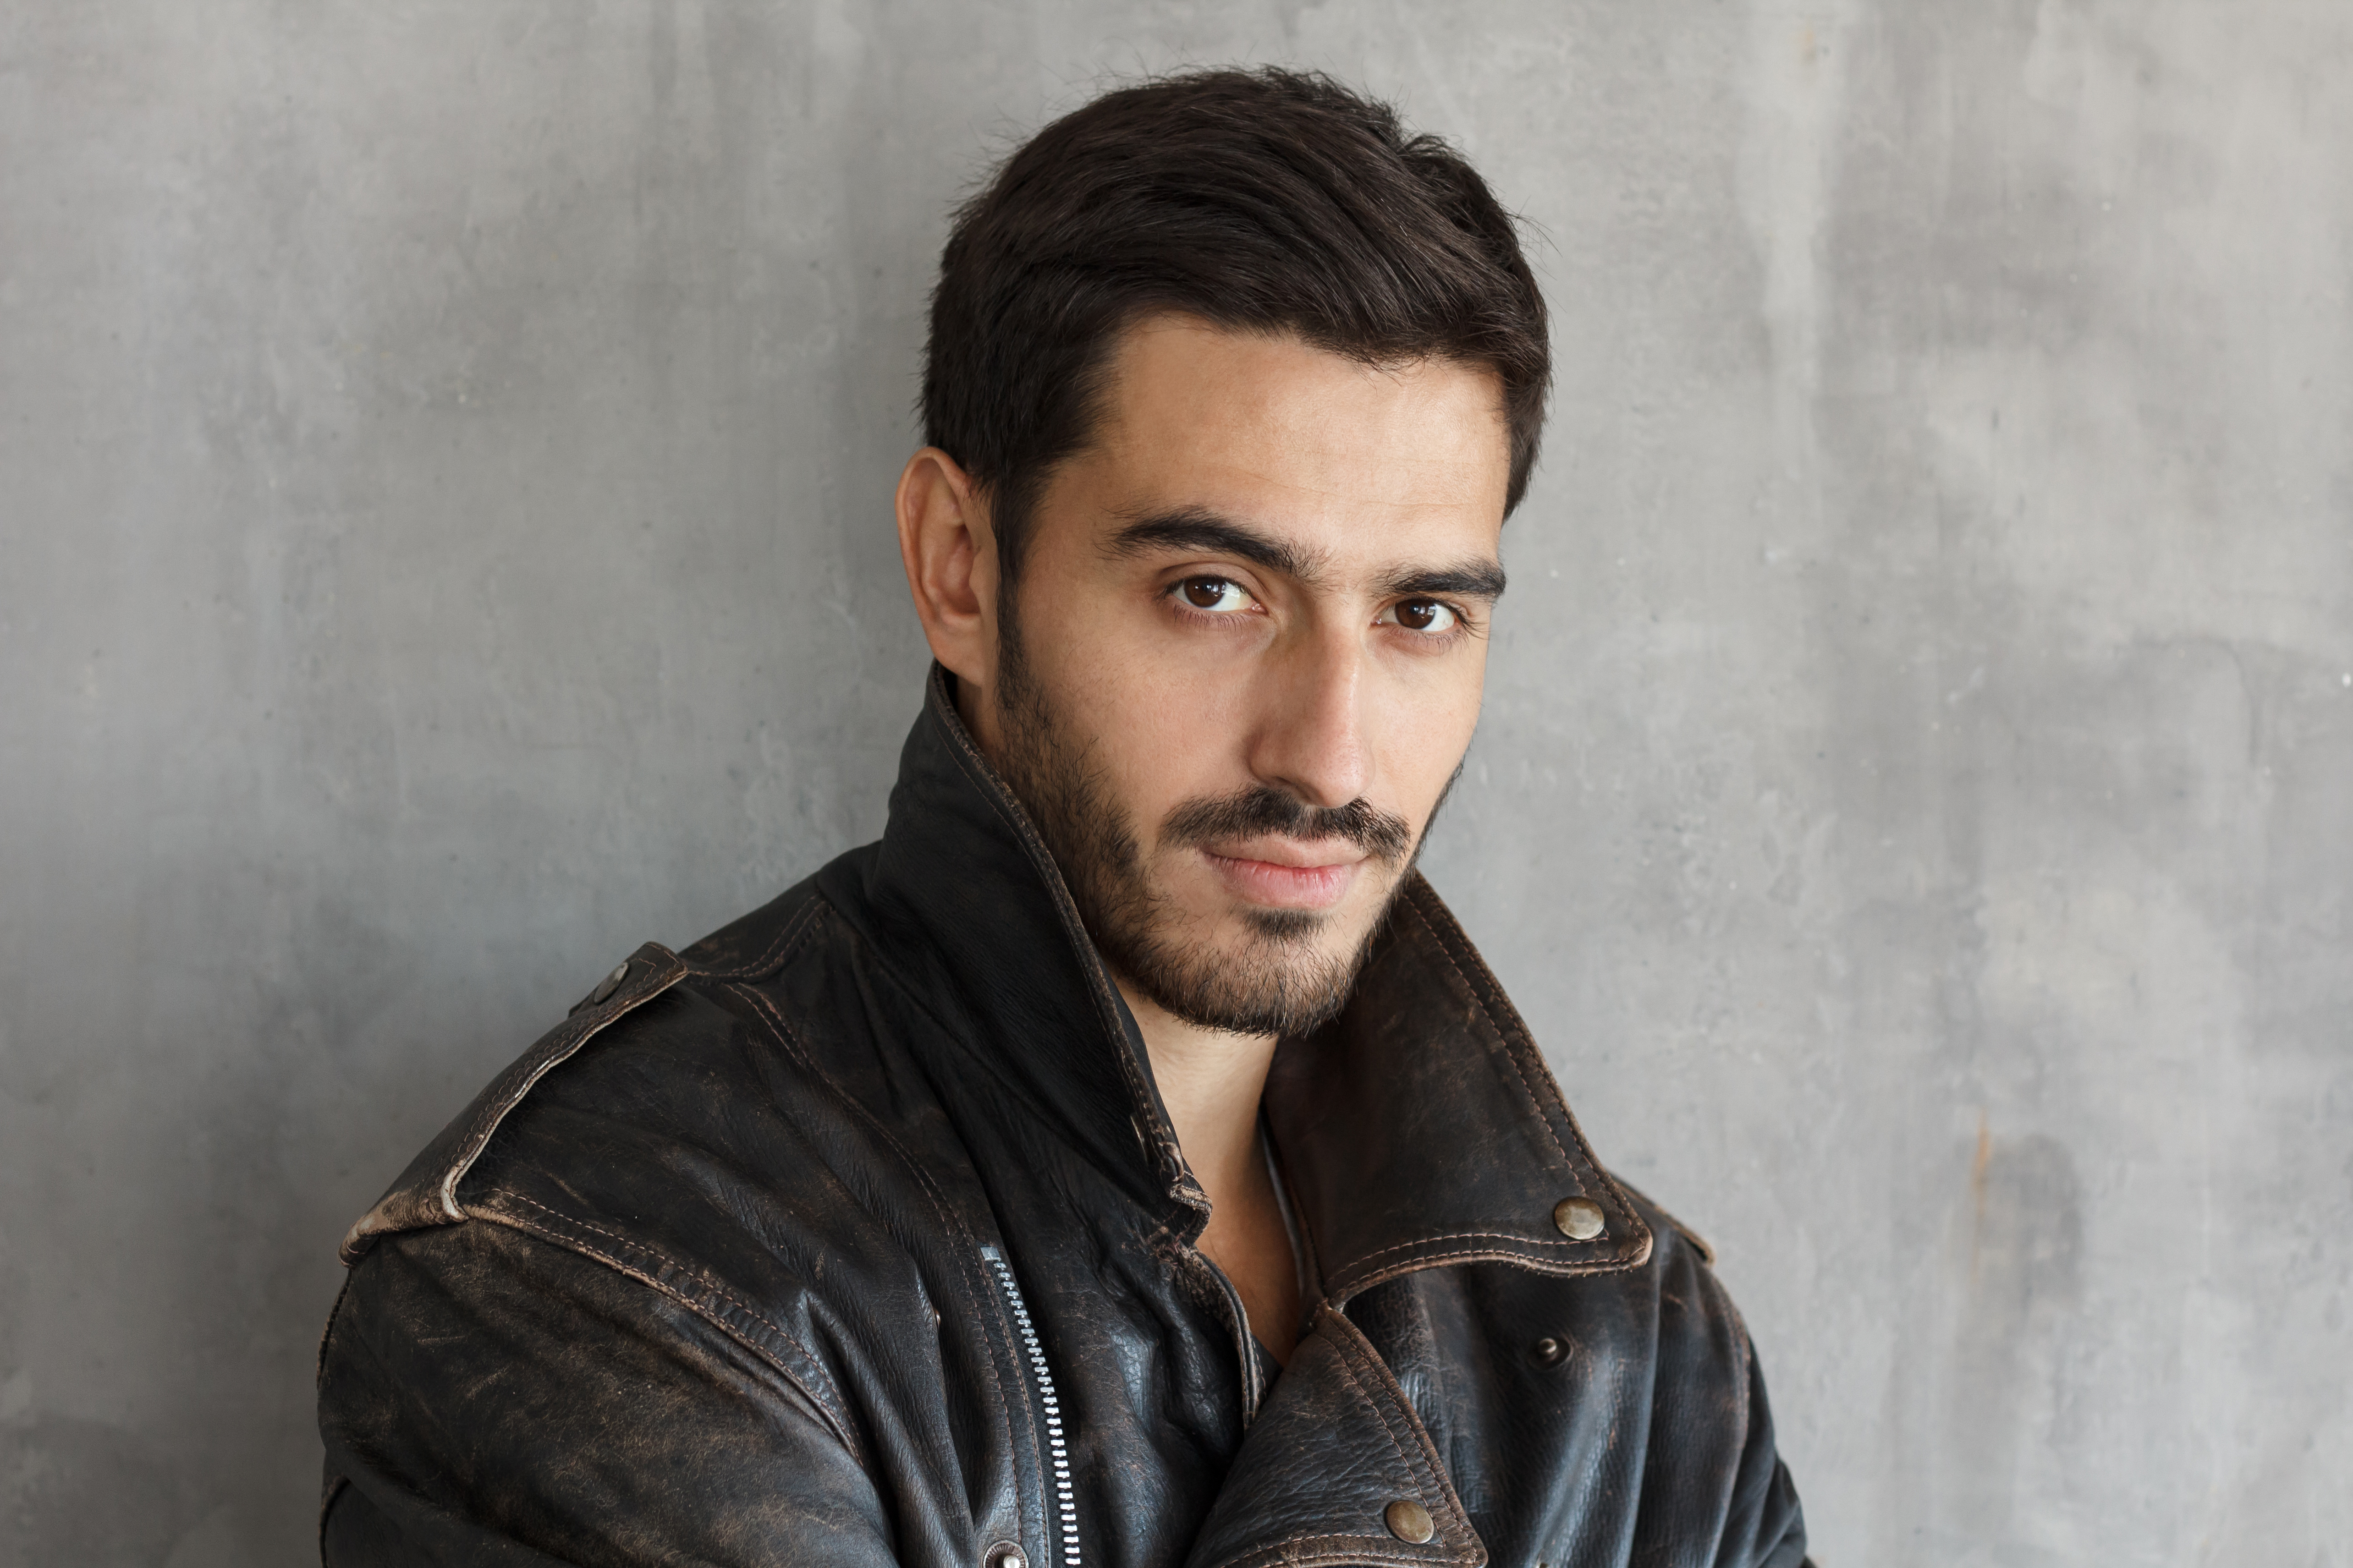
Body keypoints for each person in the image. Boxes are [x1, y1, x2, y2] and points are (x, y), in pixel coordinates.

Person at [316, 67, 1810, 1568]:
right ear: (961, 565)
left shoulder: (1629, 1345)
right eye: (1213, 594)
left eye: (1421, 612)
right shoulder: (613, 1272)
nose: (1332, 755)